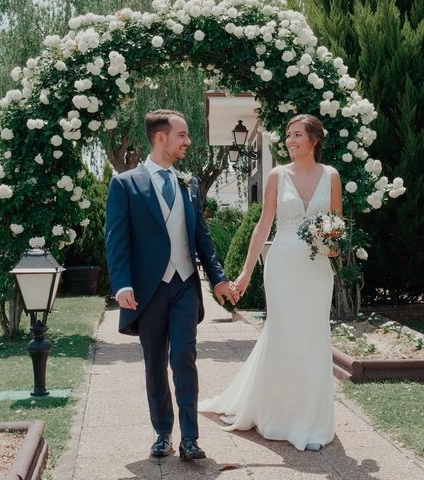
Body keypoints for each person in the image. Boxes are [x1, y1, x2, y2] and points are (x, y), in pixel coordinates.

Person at [198, 114, 343, 451]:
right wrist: (247, 271)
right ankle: (279, 415)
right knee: (284, 334)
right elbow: (264, 226)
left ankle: (312, 417)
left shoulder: (331, 176)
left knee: (313, 336)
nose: (290, 141)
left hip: (318, 268)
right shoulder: (277, 175)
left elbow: (336, 223)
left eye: (297, 135)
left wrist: (332, 244)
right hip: (282, 266)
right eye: (288, 136)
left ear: (314, 139)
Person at [105, 109, 239, 461]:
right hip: (148, 291)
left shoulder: (189, 183)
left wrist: (219, 278)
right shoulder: (125, 184)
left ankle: (190, 438)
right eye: (182, 135)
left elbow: (201, 238)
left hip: (184, 286)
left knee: (184, 358)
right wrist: (121, 285)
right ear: (160, 137)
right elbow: (116, 240)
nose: (187, 142)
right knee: (154, 364)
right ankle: (163, 432)